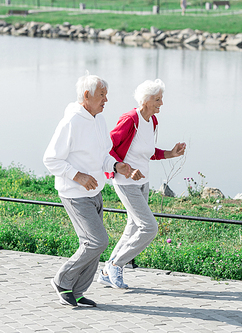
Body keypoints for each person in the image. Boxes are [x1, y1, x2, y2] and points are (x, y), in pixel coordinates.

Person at [43, 73, 132, 307]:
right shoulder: (71, 122)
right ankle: (62, 280)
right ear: (87, 95)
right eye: (102, 95)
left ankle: (78, 291)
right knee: (97, 241)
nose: (106, 100)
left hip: (95, 192)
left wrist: (115, 165)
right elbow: (50, 159)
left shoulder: (99, 120)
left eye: (106, 95)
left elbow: (103, 155)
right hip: (75, 194)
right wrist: (78, 176)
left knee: (92, 244)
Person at [97, 79, 186, 289]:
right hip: (125, 182)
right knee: (149, 227)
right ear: (145, 101)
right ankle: (116, 264)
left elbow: (147, 152)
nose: (161, 103)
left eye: (161, 99)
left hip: (143, 182)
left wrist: (170, 154)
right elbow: (108, 148)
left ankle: (105, 272)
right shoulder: (130, 119)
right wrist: (124, 167)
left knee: (133, 226)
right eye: (157, 99)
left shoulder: (152, 121)